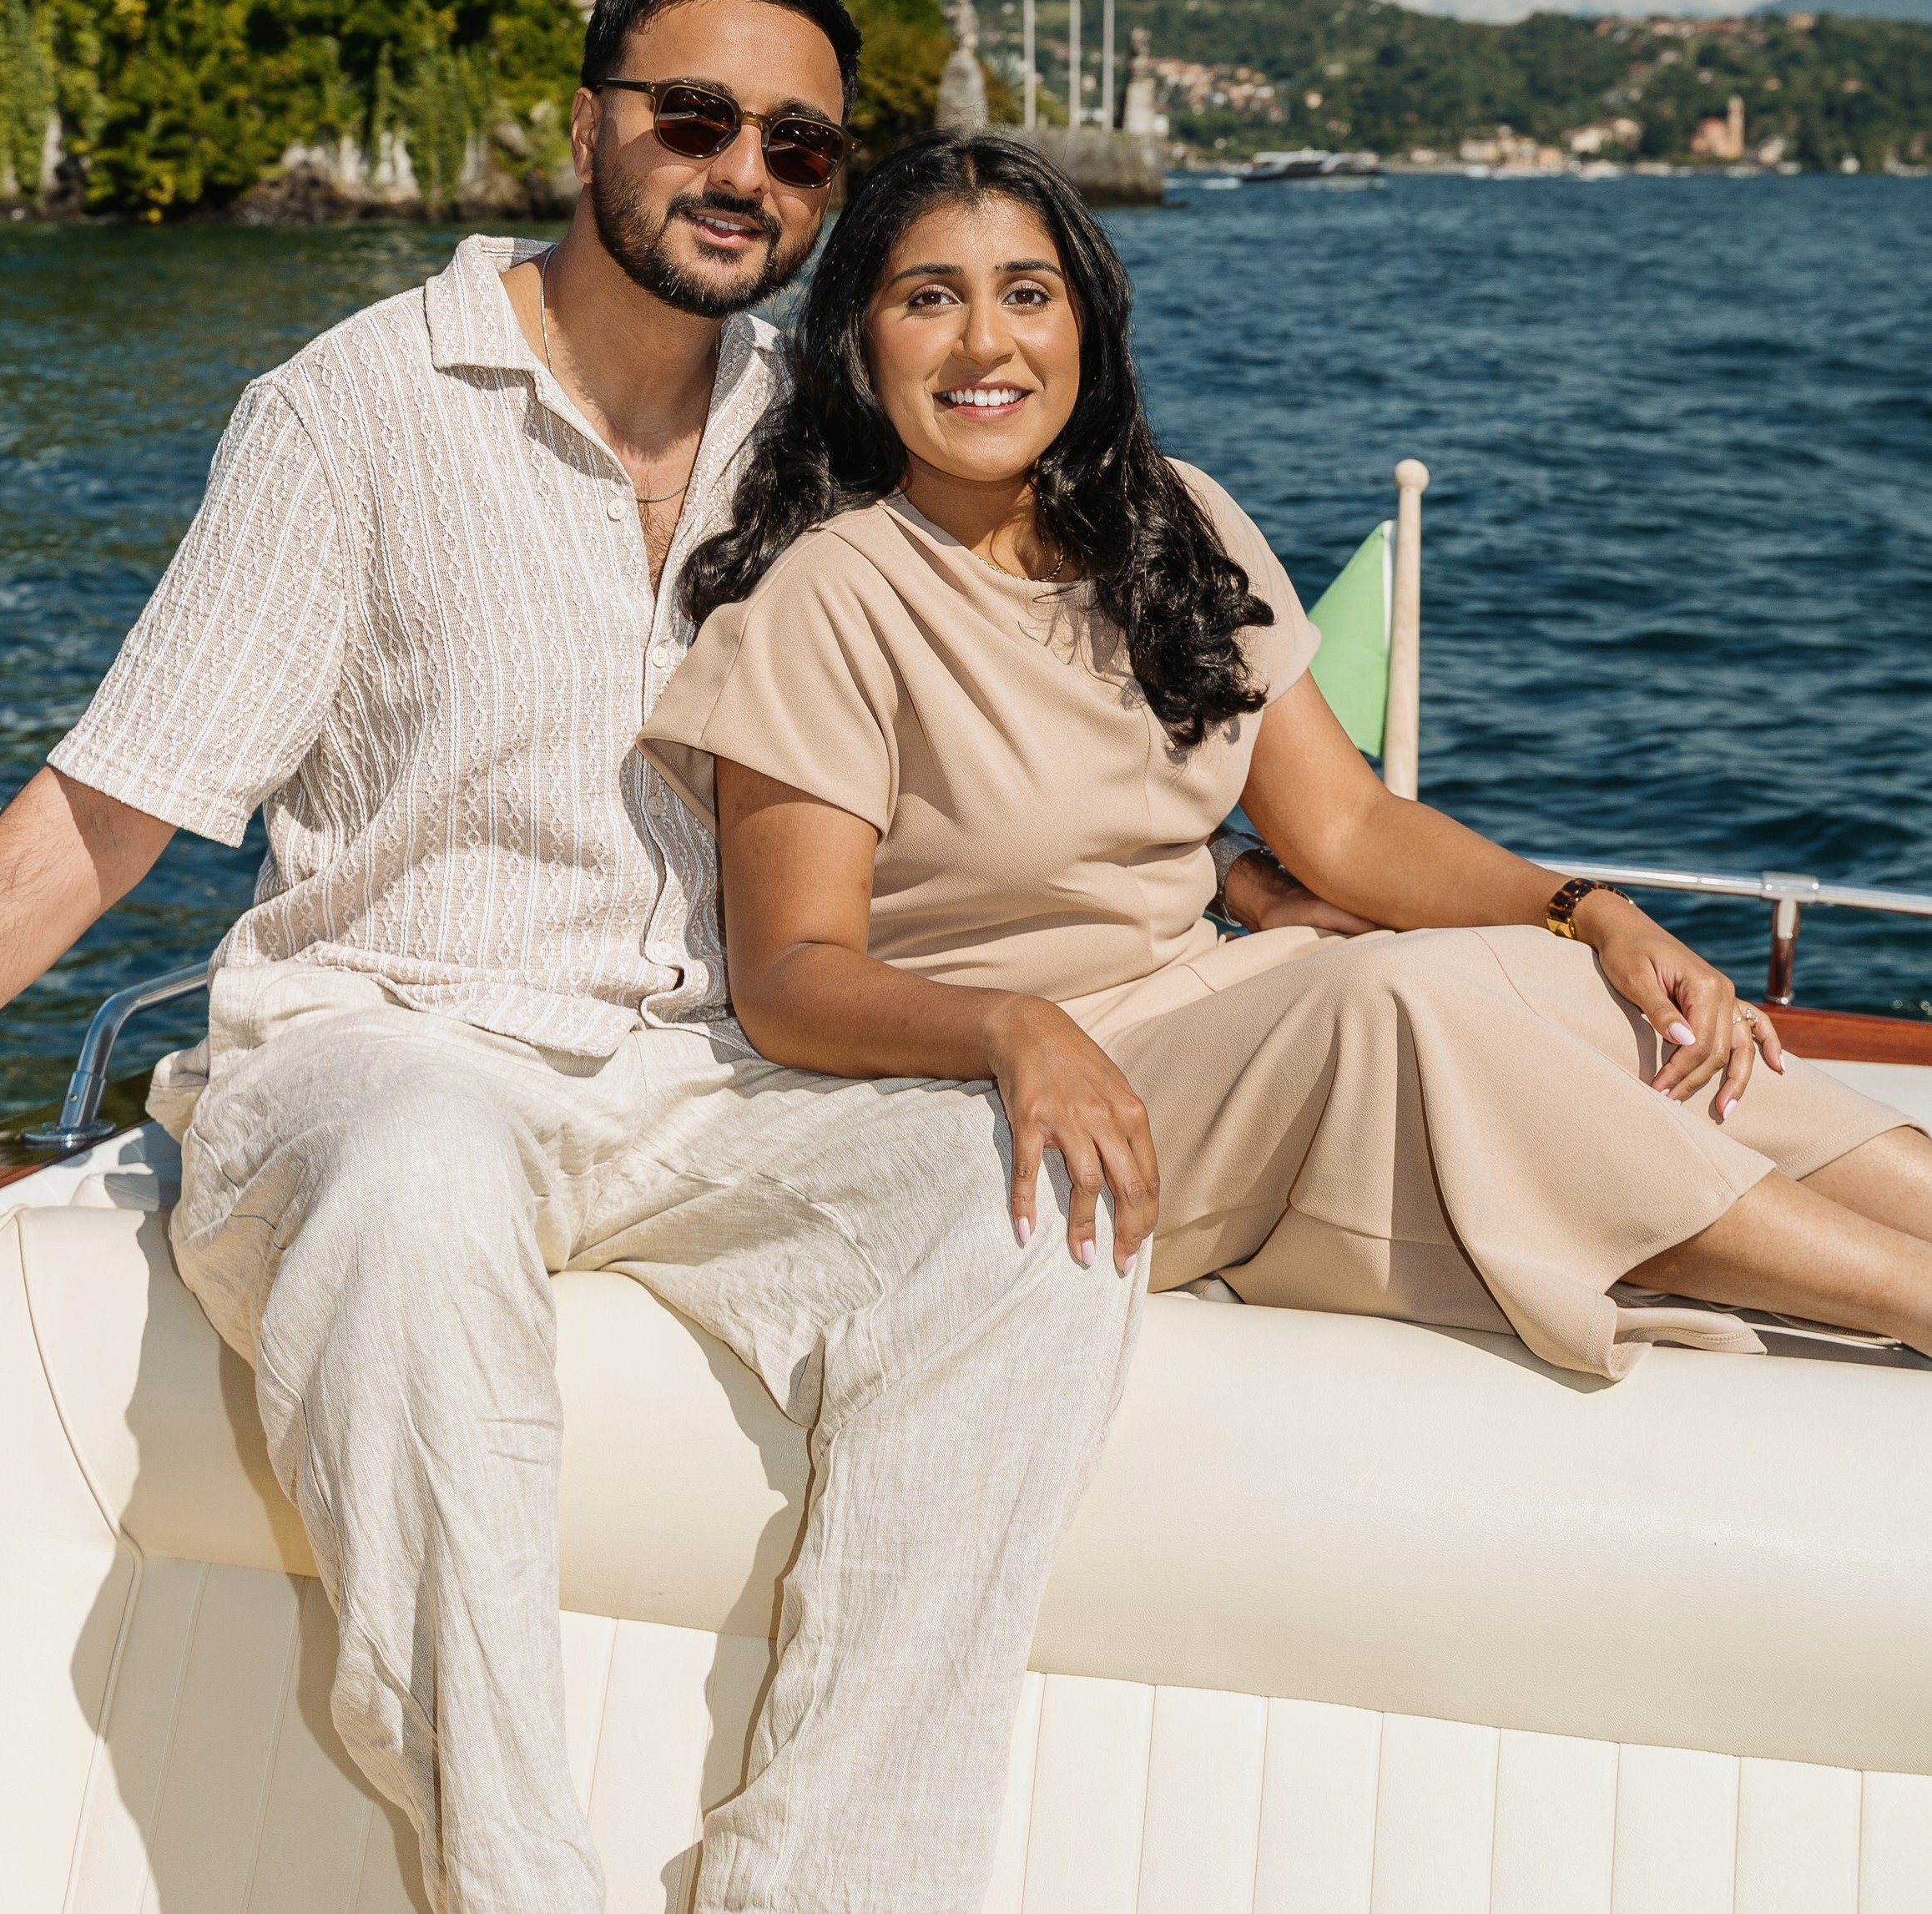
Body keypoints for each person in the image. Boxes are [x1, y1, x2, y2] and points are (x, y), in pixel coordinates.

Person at [0, 0, 1142, 1914]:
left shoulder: (817, 427)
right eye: (692, 118)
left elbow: (1027, 688)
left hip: (715, 1075)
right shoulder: (353, 408)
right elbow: (120, 799)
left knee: (1036, 1217)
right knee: (420, 1173)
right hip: (388, 1041)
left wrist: (1260, 886)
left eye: (798, 146)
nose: (742, 173)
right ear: (587, 120)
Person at [640, 129, 1932, 1379]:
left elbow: (1350, 829)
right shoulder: (831, 594)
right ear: (862, 341)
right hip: (1023, 1089)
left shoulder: (1177, 518)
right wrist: (1009, 1024)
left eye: (1027, 293)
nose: (987, 341)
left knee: (1557, 983)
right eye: (931, 297)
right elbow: (792, 976)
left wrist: (1592, 912)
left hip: (1219, 1008)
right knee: (1390, 1002)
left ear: (1084, 323)